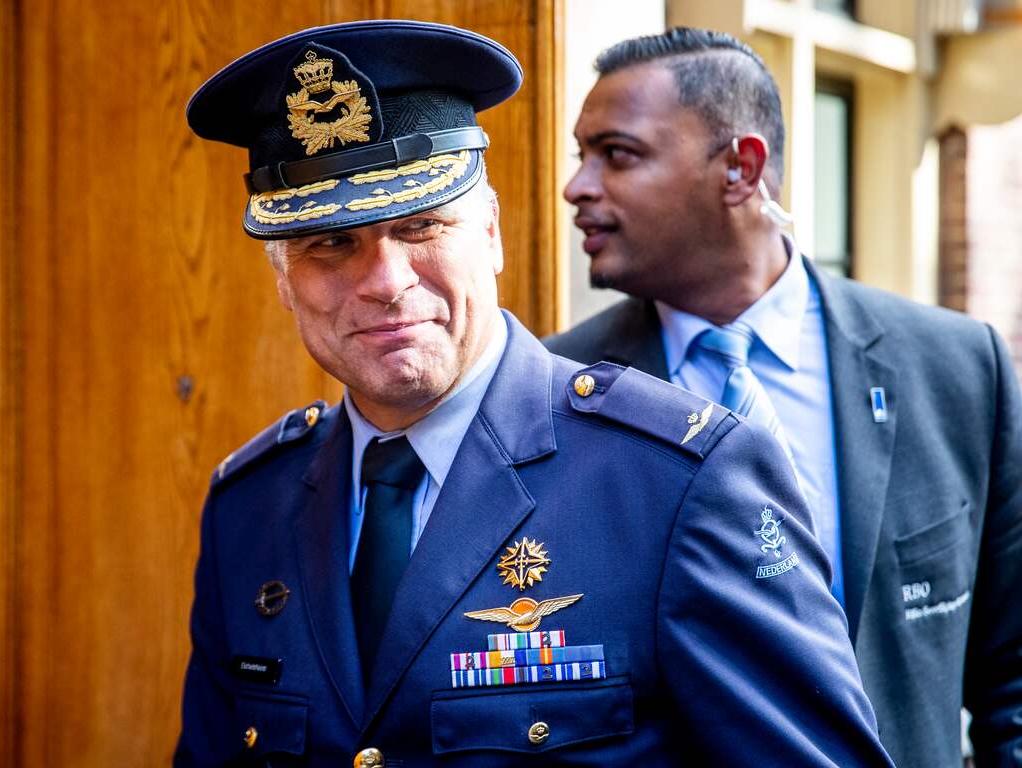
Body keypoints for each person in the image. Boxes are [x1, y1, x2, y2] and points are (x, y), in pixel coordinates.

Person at [176, 20, 894, 767]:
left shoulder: (678, 482)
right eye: (331, 243)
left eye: (421, 226)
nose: (385, 281)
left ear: (489, 233)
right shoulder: (249, 509)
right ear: (284, 279)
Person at [545, 26, 1022, 768]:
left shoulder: (958, 368)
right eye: (583, 154)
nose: (577, 186)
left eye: (618, 153)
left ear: (741, 168)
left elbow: (1011, 677)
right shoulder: (553, 391)